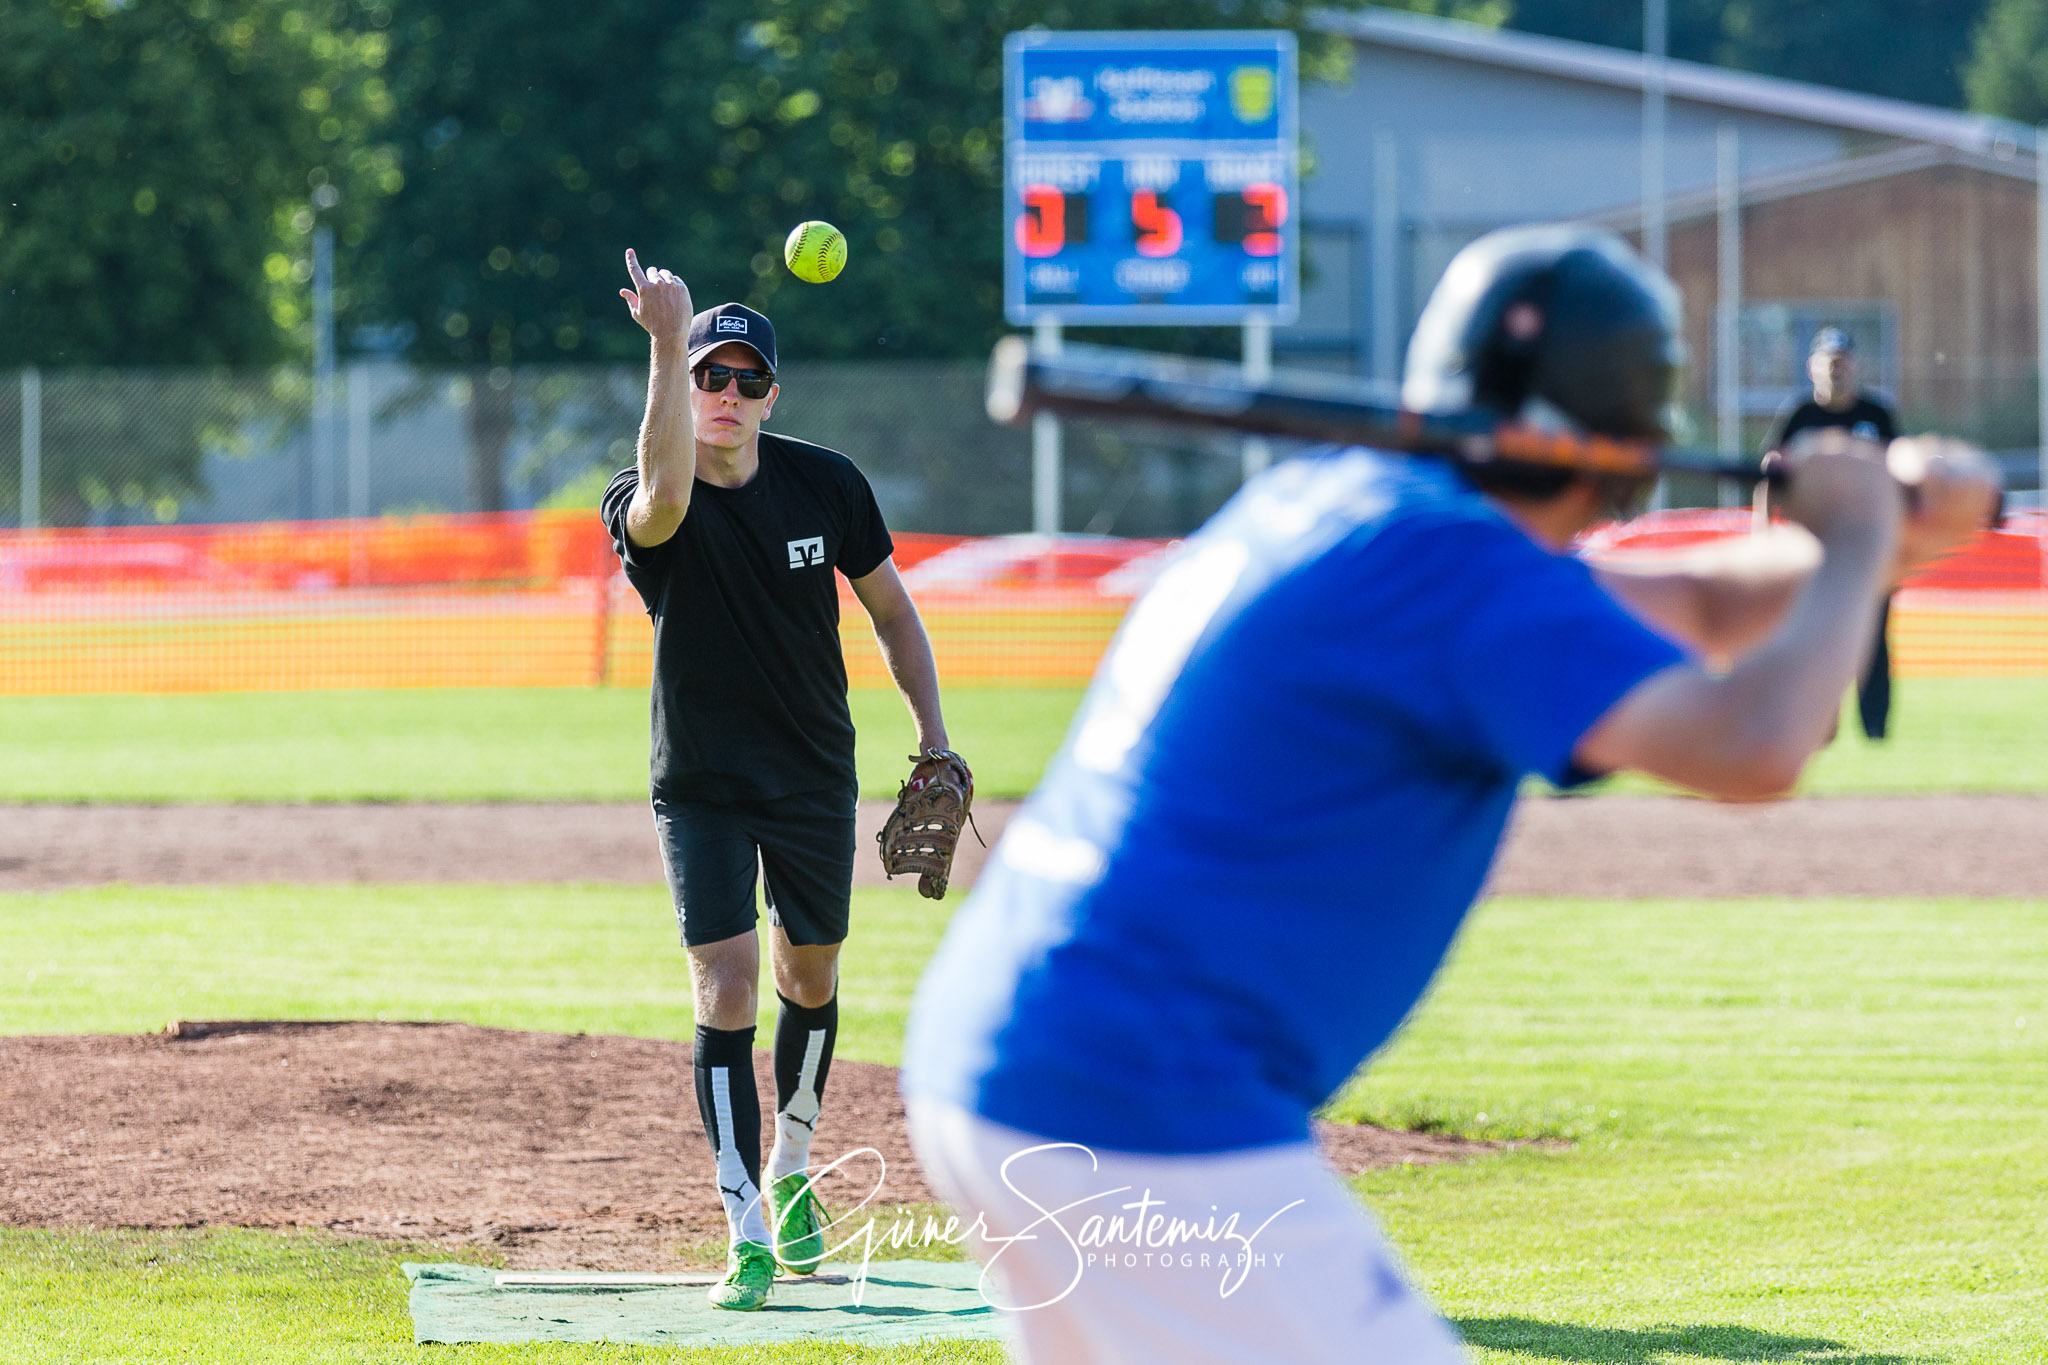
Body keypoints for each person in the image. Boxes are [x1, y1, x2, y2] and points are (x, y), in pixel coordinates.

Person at [900, 227, 1999, 1364]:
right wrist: (1859, 533)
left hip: (1012, 1059)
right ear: (1624, 441)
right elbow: (1757, 742)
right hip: (1143, 1099)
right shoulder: (1453, 571)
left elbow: (1707, 606)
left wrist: (1889, 538)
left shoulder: (1362, 510)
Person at [602, 250, 953, 1312]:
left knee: (810, 977)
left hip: (810, 774)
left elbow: (892, 610)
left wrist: (932, 738)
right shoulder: (643, 497)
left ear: (771, 394)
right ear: (688, 381)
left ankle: (794, 1169)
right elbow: (663, 497)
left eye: (746, 378)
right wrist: (666, 340)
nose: (726, 393)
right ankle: (742, 1221)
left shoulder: (827, 483)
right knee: (727, 986)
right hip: (701, 781)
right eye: (712, 373)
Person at [1764, 326, 1903, 739]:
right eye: (1829, 361)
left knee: (1874, 638)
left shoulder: (1877, 416)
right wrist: (1761, 532)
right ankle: (1820, 726)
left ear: (1855, 366)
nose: (1837, 369)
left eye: (1843, 361)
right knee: (1816, 634)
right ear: (1813, 367)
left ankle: (1875, 731)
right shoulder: (1800, 416)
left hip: (1869, 543)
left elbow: (1902, 476)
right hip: (1815, 544)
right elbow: (1770, 474)